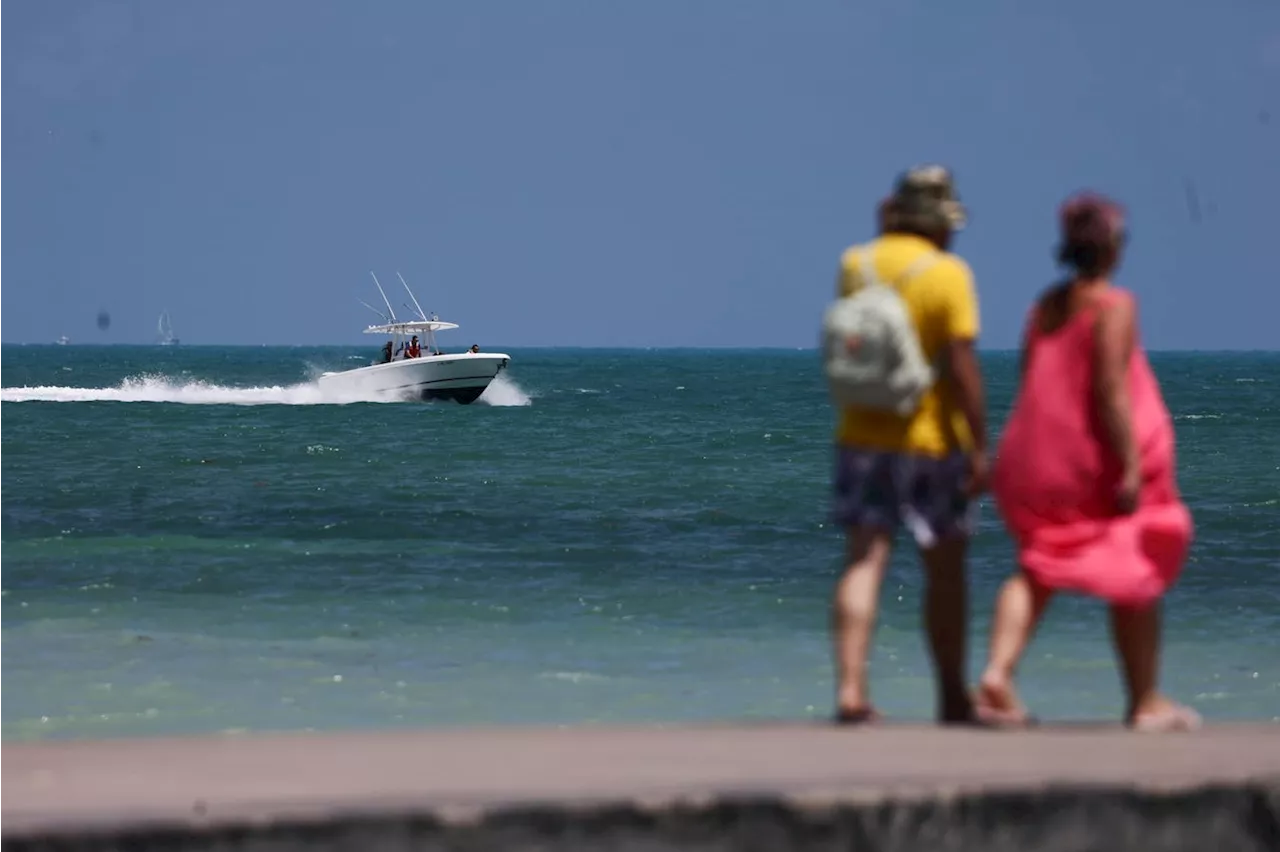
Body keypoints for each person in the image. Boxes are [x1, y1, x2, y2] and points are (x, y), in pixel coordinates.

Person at [975, 192, 1199, 732]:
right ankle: (1144, 700)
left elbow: (1035, 381)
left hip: (1034, 454)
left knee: (1038, 565)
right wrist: (1127, 463)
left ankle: (997, 675)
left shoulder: (1042, 310)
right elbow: (1109, 389)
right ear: (1111, 250)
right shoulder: (1112, 306)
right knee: (1137, 566)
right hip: (1086, 459)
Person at [828, 165, 988, 725]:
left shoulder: (857, 263)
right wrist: (982, 445)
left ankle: (851, 689)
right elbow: (963, 367)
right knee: (944, 570)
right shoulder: (949, 274)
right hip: (930, 440)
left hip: (861, 435)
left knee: (864, 561)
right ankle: (951, 696)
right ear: (941, 222)